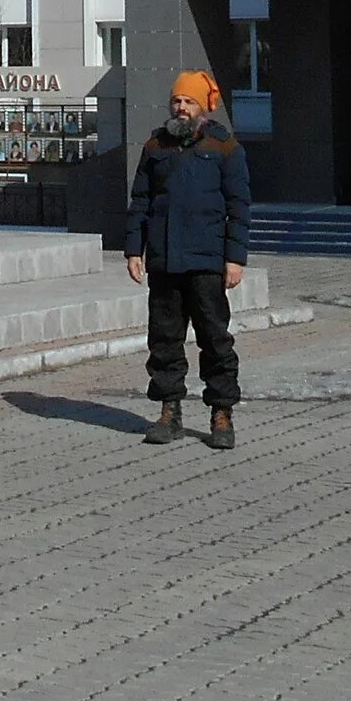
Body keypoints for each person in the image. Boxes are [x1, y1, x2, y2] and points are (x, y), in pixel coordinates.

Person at [125, 68, 254, 450]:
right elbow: (141, 202)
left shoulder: (225, 148)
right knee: (164, 340)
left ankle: (221, 413)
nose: (181, 108)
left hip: (207, 262)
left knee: (215, 339)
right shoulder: (155, 147)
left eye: (188, 101)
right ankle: (170, 411)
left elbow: (239, 206)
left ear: (203, 107)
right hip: (164, 261)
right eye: (177, 101)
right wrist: (135, 250)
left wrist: (235, 259)